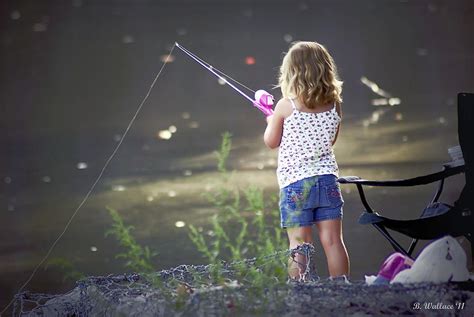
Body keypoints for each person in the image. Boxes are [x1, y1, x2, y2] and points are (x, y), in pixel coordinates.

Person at [264, 41, 350, 280]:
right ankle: (342, 290)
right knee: (333, 242)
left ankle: (301, 295)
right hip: (327, 181)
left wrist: (272, 120)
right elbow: (331, 140)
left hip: (295, 185)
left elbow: (271, 142)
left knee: (299, 244)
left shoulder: (284, 106)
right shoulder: (334, 105)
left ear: (291, 72)